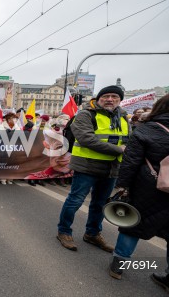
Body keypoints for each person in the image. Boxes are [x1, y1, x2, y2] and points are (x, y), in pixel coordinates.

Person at [57, 85, 130, 252]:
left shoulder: (124, 117)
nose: (110, 99)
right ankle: (64, 231)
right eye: (106, 96)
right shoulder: (86, 114)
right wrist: (119, 150)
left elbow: (128, 140)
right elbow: (86, 139)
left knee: (100, 204)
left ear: (120, 100)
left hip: (111, 169)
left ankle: (92, 233)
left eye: (114, 97)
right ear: (99, 99)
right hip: (87, 166)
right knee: (75, 201)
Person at [107, 94, 169, 290]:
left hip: (147, 187)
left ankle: (119, 265)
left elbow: (131, 161)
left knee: (132, 223)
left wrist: (123, 186)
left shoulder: (147, 129)